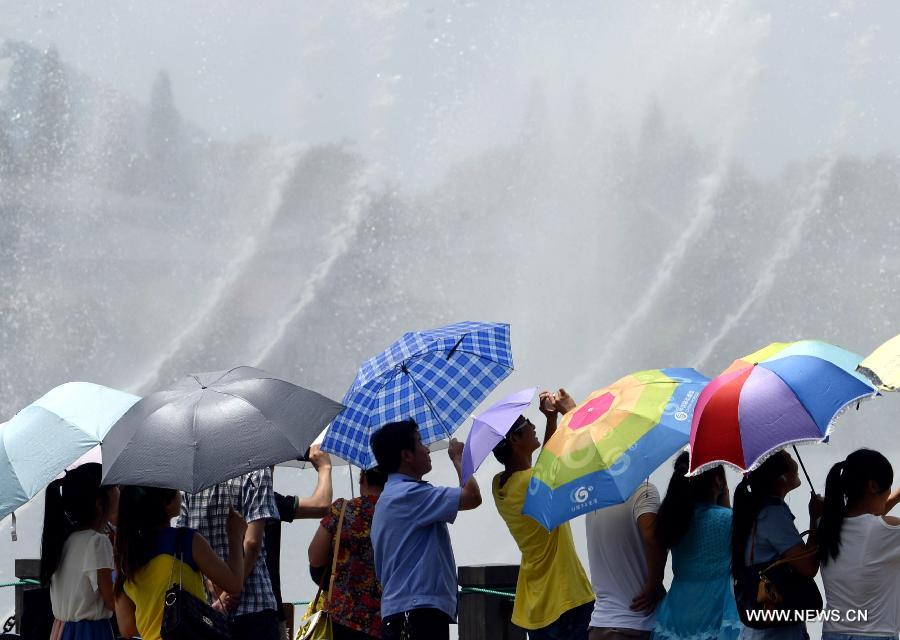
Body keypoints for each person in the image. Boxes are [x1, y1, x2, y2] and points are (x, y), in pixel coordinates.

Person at [492, 389, 594, 639]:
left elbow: (543, 469)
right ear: (514, 439)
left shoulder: (500, 485)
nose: (532, 426)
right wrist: (570, 412)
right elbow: (572, 457)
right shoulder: (530, 482)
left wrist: (551, 420)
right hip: (565, 597)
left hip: (536, 605)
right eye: (527, 424)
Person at [369, 419, 482, 640]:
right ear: (406, 455)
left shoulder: (391, 495)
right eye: (420, 442)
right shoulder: (409, 495)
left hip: (406, 612)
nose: (427, 449)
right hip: (417, 613)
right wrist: (459, 458)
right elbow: (472, 496)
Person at [113, 485, 246, 640]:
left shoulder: (128, 555)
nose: (180, 494)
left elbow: (127, 628)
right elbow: (234, 583)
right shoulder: (186, 540)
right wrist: (235, 535)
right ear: (166, 502)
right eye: (176, 490)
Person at [178, 468, 281, 640]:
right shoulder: (257, 472)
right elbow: (252, 543)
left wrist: (211, 581)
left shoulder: (191, 482)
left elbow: (184, 543)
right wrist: (231, 588)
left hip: (208, 609)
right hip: (254, 604)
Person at [731, 450, 822, 640]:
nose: (793, 459)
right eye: (788, 457)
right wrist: (818, 520)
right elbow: (807, 567)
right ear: (780, 477)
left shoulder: (758, 508)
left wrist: (814, 516)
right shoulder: (773, 513)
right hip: (777, 632)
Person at [651, 452, 741, 640]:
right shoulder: (728, 520)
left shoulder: (674, 520)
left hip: (677, 614)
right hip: (717, 612)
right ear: (718, 481)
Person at [818, 449, 900, 640]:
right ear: (872, 486)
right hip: (875, 635)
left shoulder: (823, 524)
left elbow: (865, 518)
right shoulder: (886, 531)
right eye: (889, 486)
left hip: (832, 634)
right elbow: (872, 523)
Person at [40, 463, 118, 640]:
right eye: (115, 487)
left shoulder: (64, 539)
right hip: (90, 633)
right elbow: (112, 601)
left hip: (61, 630)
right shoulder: (98, 542)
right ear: (100, 503)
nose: (119, 492)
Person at [308, 466, 387, 640]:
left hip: (342, 616)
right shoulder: (397, 511)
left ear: (363, 478)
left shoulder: (342, 510)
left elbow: (315, 557)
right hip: (385, 617)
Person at [586, 471, 665, 640]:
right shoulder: (643, 492)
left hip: (599, 625)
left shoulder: (596, 500)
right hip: (635, 625)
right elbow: (653, 538)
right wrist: (655, 584)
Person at [266, 446, 334, 639]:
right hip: (264, 611)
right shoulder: (266, 501)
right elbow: (321, 505)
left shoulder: (203, 494)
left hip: (213, 608)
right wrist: (324, 468)